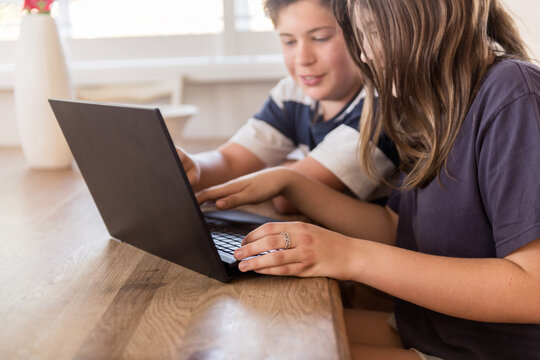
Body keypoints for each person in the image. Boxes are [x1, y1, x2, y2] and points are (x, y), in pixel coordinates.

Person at [195, 0, 540, 359]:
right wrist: (292, 182)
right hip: (436, 329)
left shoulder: (513, 93)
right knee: (245, 337)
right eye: (361, 35)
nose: (365, 53)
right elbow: (395, 228)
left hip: (490, 349)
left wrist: (351, 256)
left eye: (374, 32)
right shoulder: (434, 105)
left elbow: (533, 291)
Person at [175, 0, 398, 214]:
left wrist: (287, 165)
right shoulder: (293, 93)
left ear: (360, 35)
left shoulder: (383, 107)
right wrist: (195, 166)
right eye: (289, 42)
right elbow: (232, 160)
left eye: (320, 38)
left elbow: (286, 196)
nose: (302, 58)